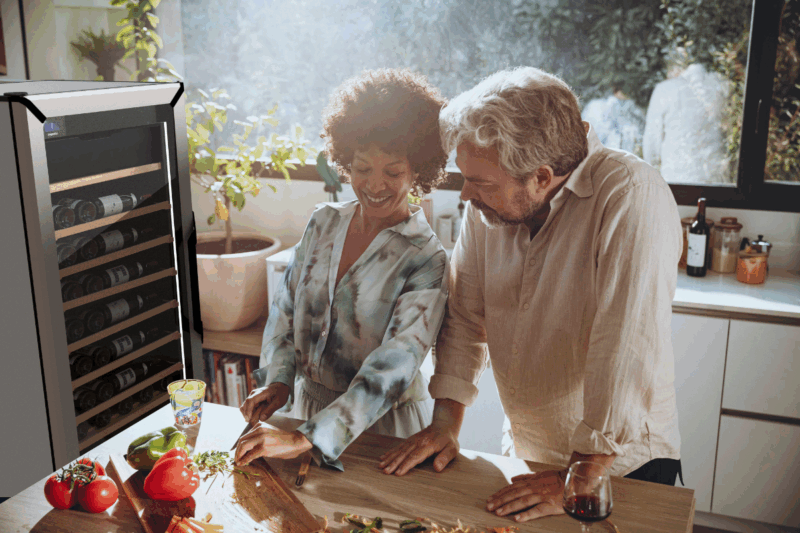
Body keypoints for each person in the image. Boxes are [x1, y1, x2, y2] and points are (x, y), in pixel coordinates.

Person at [379, 67, 683, 522]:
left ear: (541, 177)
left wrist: (583, 473)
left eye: (479, 183)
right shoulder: (490, 207)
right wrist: (445, 423)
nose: (466, 195)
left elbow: (625, 345)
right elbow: (464, 317)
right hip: (531, 455)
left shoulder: (631, 195)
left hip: (617, 467)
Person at [234, 69, 450, 471]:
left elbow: (393, 368)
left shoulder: (425, 258)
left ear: (418, 169)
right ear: (344, 159)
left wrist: (305, 438)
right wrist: (278, 381)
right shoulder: (323, 223)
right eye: (362, 168)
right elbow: (284, 309)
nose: (374, 185)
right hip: (305, 409)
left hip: (385, 428)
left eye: (393, 171)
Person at [642, 48, 731, 183]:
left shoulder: (664, 89)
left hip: (677, 179)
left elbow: (652, 144)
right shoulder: (721, 85)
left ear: (674, 67)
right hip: (716, 179)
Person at [581, 85, 645, 156]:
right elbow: (609, 124)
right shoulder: (611, 104)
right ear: (616, 92)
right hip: (612, 141)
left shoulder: (626, 104)